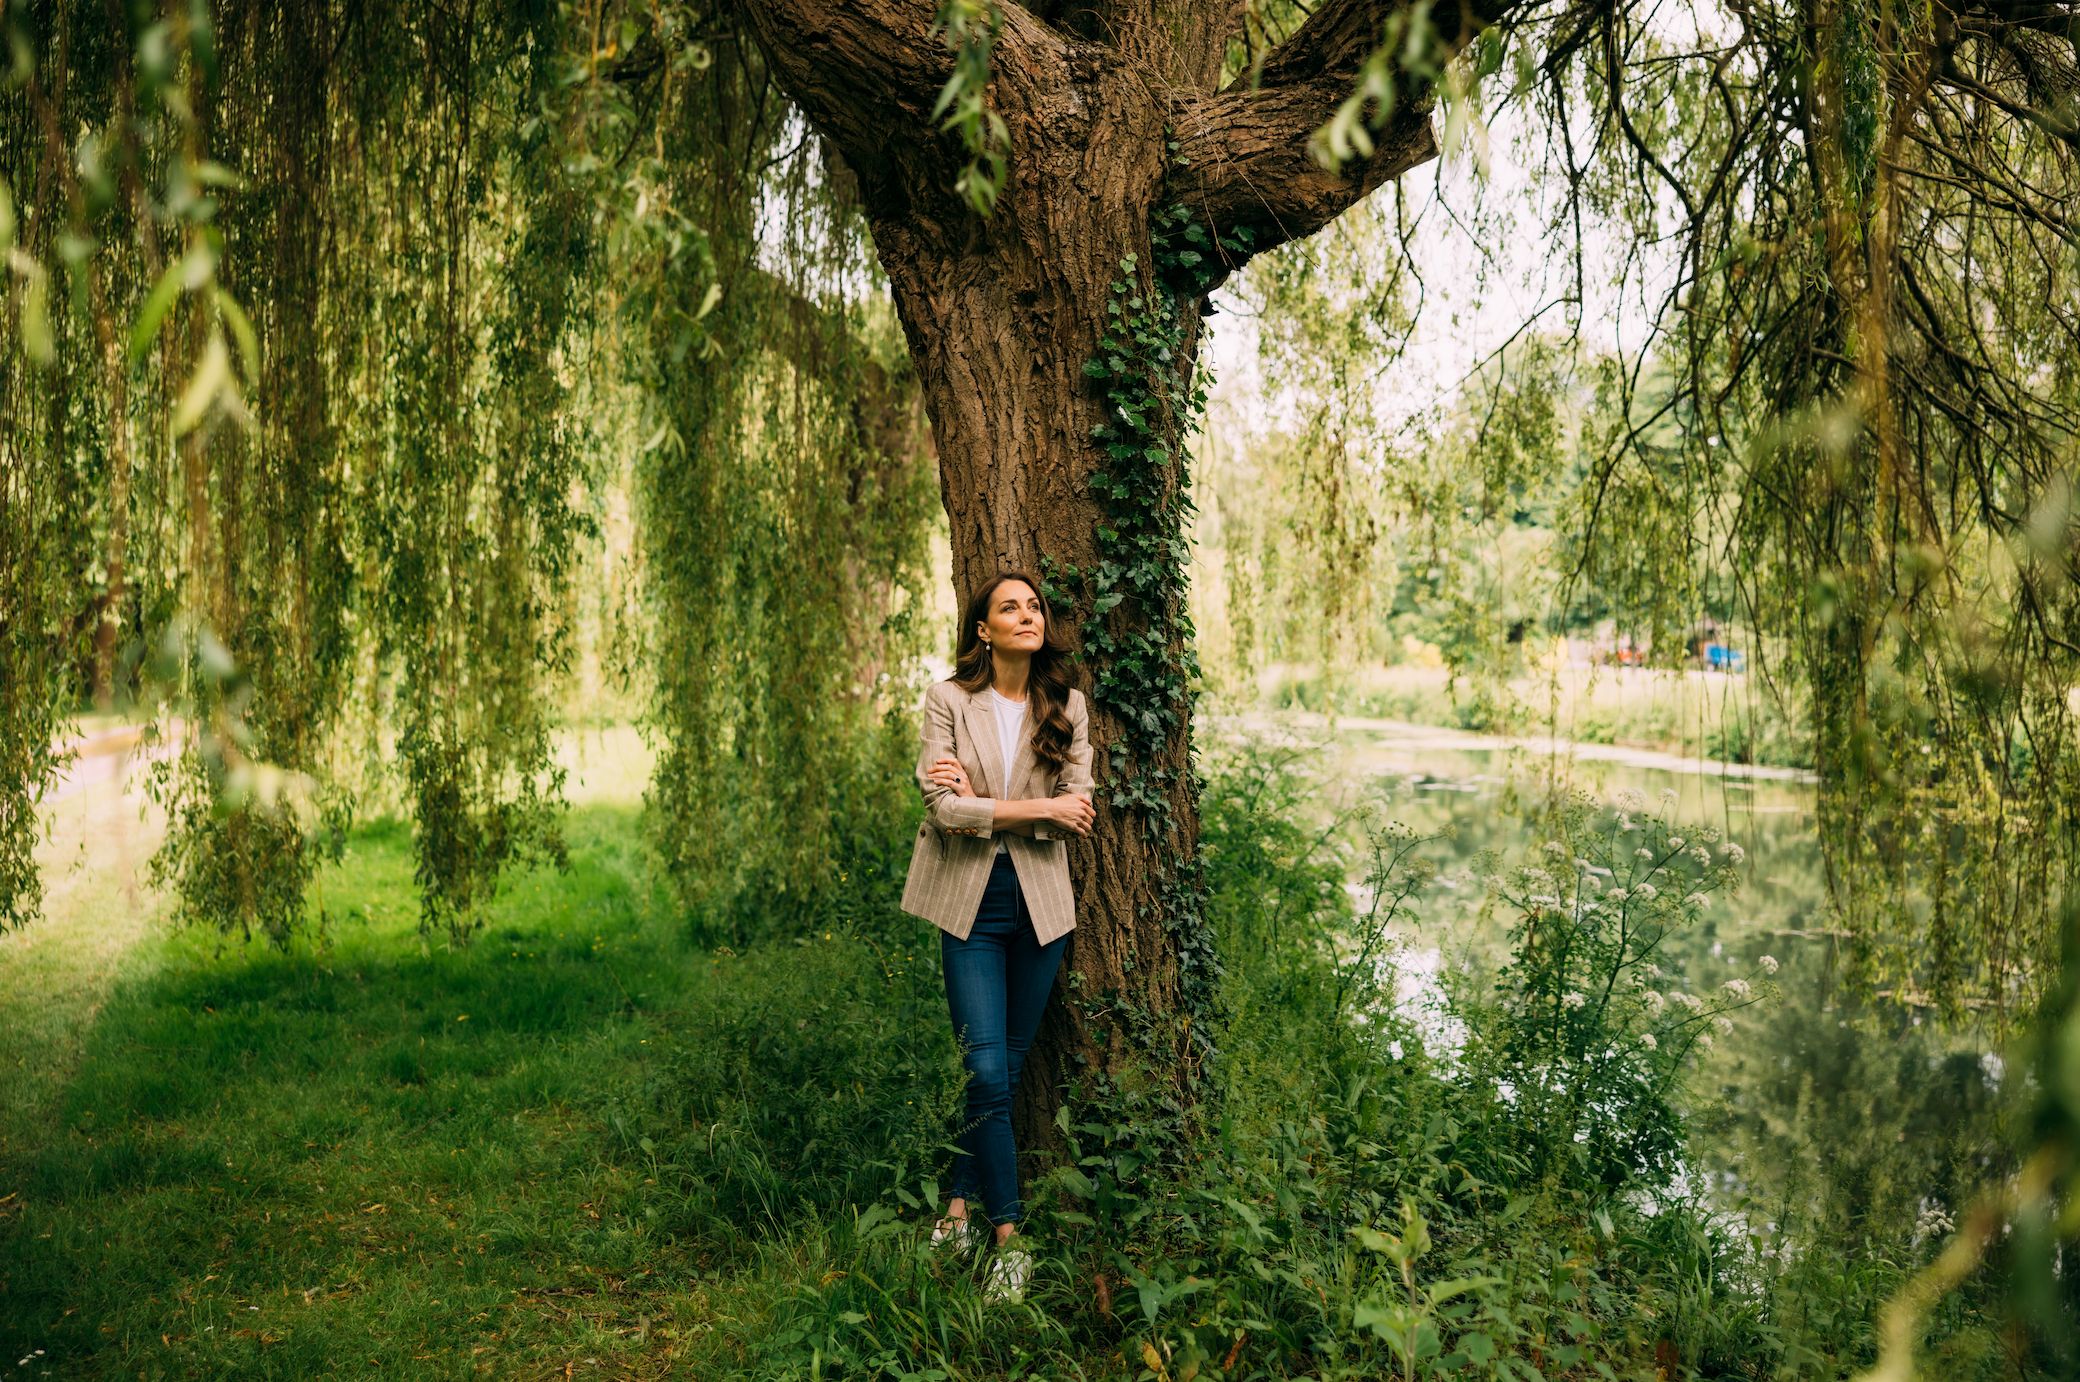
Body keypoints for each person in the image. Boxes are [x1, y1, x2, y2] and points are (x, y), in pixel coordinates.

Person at [899, 570, 1096, 1305]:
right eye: (1008, 607)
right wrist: (1027, 809)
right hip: (968, 901)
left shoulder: (1066, 705)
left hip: (1042, 904)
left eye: (1034, 605)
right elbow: (945, 811)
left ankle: (956, 1208)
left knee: (1004, 1070)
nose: (1026, 615)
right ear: (983, 628)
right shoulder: (949, 700)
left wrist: (989, 804)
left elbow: (1079, 809)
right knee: (983, 1069)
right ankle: (1009, 1238)